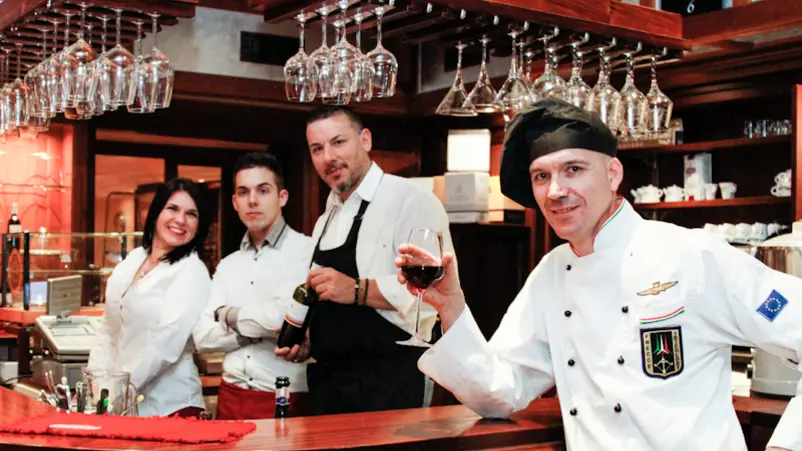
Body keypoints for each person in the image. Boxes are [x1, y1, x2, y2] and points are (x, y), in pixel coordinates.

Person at [397, 99, 801, 451]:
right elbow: (500, 393)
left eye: (573, 169)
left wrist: (786, 445)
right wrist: (451, 305)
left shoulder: (692, 255)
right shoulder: (552, 273)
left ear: (612, 174)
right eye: (542, 176)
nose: (556, 190)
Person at [277, 105, 454, 415]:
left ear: (366, 140)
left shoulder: (410, 199)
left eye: (338, 142)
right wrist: (311, 335)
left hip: (388, 379)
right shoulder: (326, 217)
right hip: (328, 384)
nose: (328, 156)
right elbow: (324, 293)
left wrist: (356, 289)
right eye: (317, 149)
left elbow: (430, 292)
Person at [193, 152, 313, 420]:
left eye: (263, 190)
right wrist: (256, 334)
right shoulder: (228, 265)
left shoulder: (305, 250)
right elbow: (202, 338)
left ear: (282, 197)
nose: (253, 200)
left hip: (284, 397)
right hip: (230, 396)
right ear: (235, 202)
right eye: (244, 192)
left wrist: (228, 314)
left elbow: (281, 318)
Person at [88, 178, 211, 418]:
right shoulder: (134, 259)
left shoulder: (192, 271)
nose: (180, 220)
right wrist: (98, 388)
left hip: (170, 407)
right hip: (122, 405)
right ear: (155, 213)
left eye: (191, 214)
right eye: (172, 209)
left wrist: (114, 394)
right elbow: (109, 330)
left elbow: (163, 348)